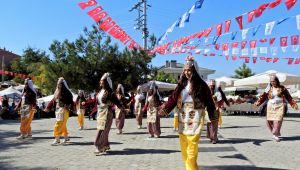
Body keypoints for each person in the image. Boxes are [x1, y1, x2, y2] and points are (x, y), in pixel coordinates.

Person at [159, 56, 217, 170]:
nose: (186, 72)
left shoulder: (202, 85)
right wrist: (164, 110)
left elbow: (210, 102)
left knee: (192, 144)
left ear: (194, 71)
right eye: (185, 70)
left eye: (189, 70)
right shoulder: (181, 85)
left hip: (196, 115)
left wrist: (213, 117)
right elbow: (172, 99)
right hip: (182, 116)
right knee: (184, 144)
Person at [255, 75, 298, 142]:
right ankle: (275, 132)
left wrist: (293, 104)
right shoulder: (268, 89)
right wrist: (257, 103)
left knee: (278, 120)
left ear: (277, 81)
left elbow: (288, 97)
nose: (272, 83)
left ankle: (276, 135)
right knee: (269, 120)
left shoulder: (282, 88)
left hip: (280, 106)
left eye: (274, 81)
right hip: (270, 106)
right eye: (271, 81)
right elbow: (263, 97)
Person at [92, 73, 124, 155]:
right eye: (100, 82)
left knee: (102, 130)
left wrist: (123, 108)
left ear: (106, 82)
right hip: (100, 113)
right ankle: (104, 145)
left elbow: (117, 102)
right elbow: (97, 102)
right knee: (101, 129)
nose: (100, 83)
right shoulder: (100, 91)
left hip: (107, 113)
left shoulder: (110, 93)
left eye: (102, 82)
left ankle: (98, 146)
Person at [44, 77, 74, 145]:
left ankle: (57, 138)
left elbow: (71, 102)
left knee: (58, 124)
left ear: (63, 84)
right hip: (57, 110)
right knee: (62, 124)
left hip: (64, 110)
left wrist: (70, 108)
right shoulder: (57, 92)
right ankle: (66, 137)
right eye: (58, 84)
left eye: (60, 84)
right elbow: (53, 100)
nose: (58, 85)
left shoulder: (67, 93)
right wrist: (48, 107)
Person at [206, 79, 230, 144]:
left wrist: (218, 104)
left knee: (215, 124)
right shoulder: (206, 91)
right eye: (211, 85)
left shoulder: (218, 92)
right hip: (208, 110)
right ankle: (211, 137)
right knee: (209, 124)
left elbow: (222, 99)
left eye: (213, 85)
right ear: (208, 85)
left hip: (215, 110)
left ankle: (214, 138)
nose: (212, 86)